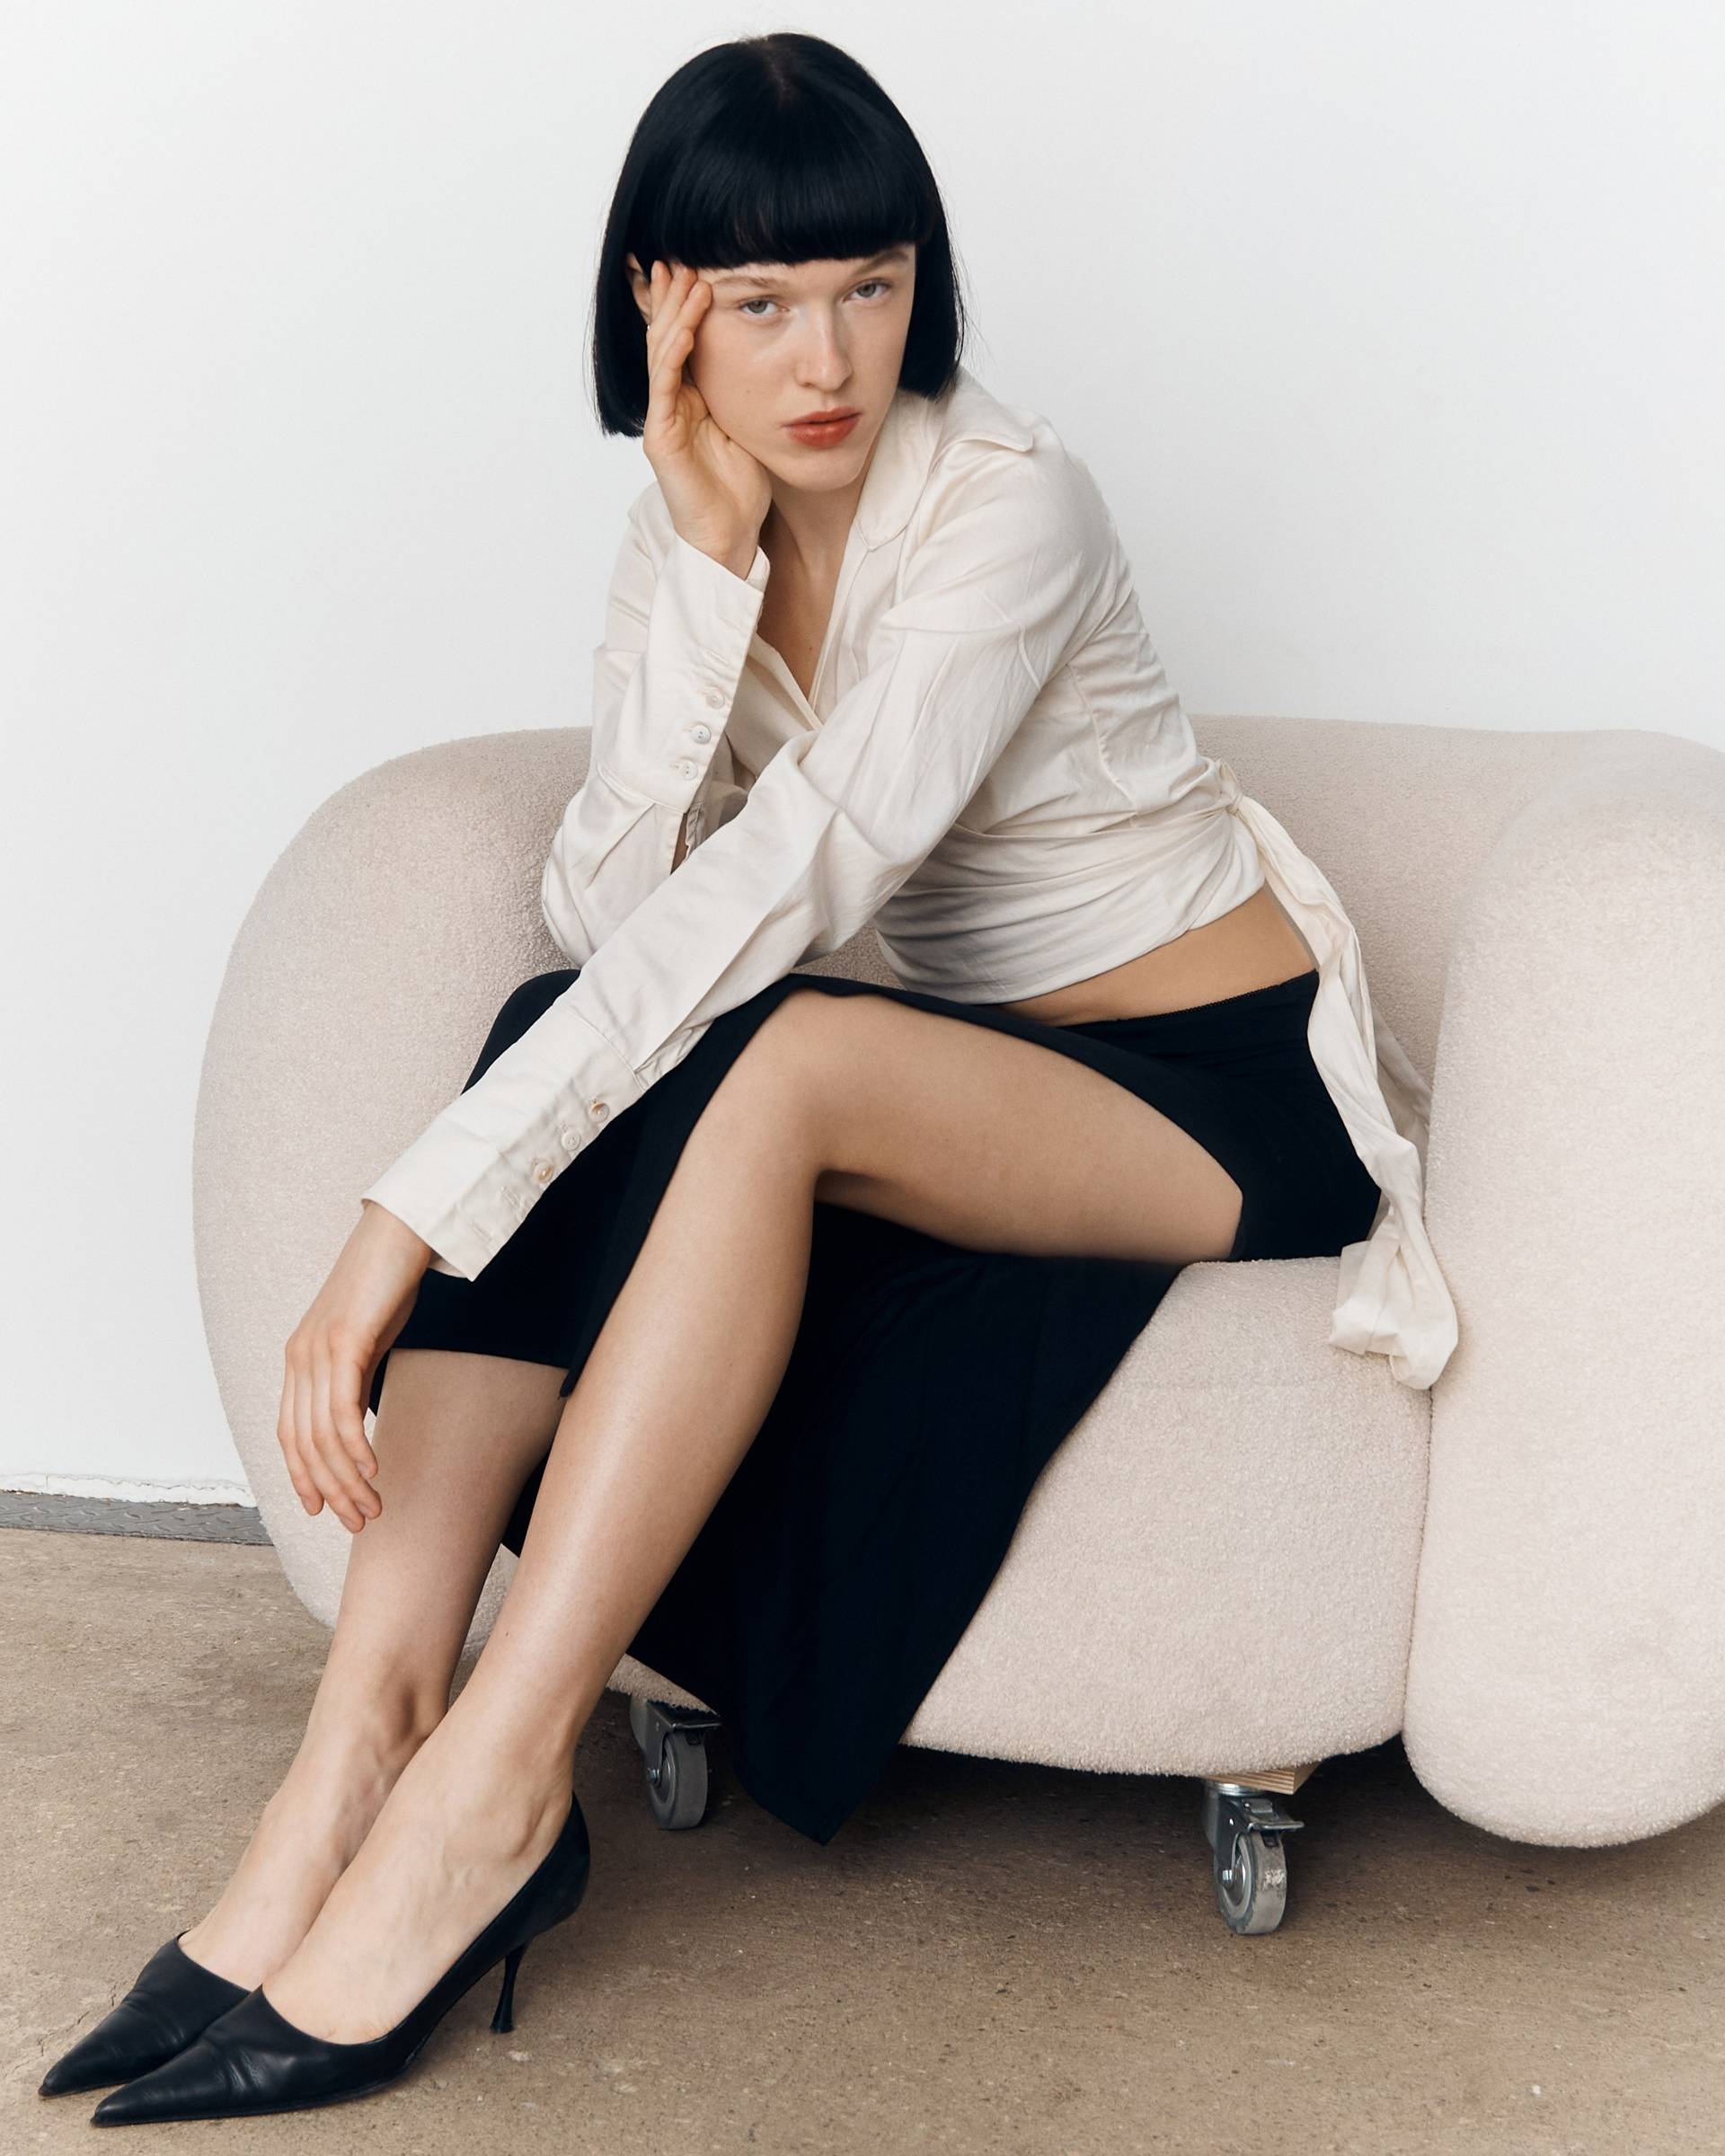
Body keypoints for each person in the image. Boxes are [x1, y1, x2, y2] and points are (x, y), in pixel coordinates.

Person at [44, 31, 1455, 2125]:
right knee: (557, 1024)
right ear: (662, 308)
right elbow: (611, 917)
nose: (829, 356)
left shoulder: (1011, 507)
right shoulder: (691, 535)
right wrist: (703, 575)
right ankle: (356, 1751)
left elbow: (799, 884)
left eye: (872, 286)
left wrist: (403, 1216)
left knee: (773, 1063)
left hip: (1217, 1098)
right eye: (764, 300)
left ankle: (498, 1791)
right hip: (983, 1086)